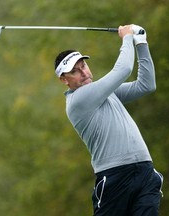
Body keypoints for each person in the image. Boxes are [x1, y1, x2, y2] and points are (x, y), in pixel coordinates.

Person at [54, 24, 163, 216]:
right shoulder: (78, 100)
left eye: (84, 66)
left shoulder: (105, 93)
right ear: (64, 79)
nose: (85, 73)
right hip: (115, 176)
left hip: (145, 171)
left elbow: (147, 85)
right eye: (76, 71)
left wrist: (142, 43)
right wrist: (127, 37)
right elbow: (123, 70)